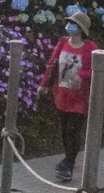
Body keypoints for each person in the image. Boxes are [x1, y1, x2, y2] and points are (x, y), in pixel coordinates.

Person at [40, 11, 97, 182]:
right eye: (69, 22)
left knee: (73, 130)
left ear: (81, 29)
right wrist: (43, 85)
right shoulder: (63, 42)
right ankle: (68, 159)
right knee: (64, 131)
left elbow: (97, 68)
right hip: (62, 94)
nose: (69, 26)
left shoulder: (91, 48)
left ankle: (68, 164)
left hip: (80, 97)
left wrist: (83, 75)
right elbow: (52, 64)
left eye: (74, 23)